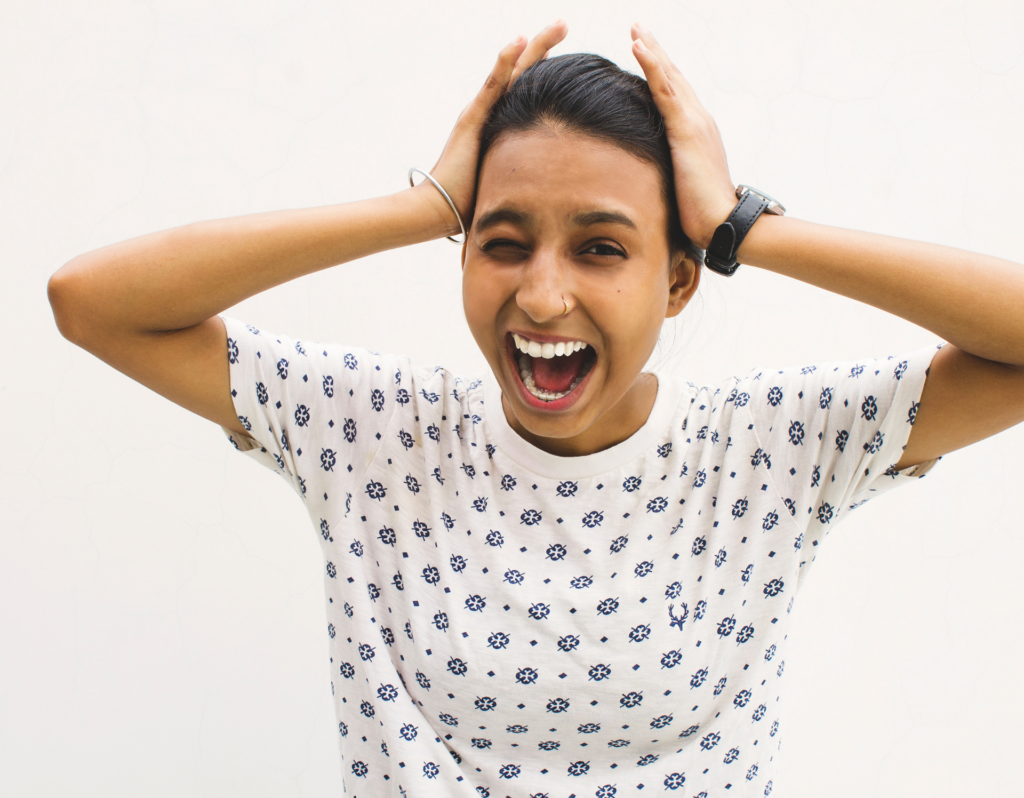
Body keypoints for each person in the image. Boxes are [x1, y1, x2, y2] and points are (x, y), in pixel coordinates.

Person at [46, 19, 1024, 798]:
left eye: (601, 249)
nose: (543, 298)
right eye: (503, 243)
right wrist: (423, 207)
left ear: (679, 281)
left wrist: (742, 224)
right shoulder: (374, 431)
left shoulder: (768, 447)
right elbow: (92, 302)